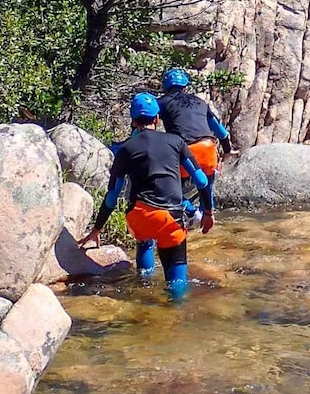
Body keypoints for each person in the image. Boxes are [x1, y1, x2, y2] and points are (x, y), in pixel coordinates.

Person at [80, 92, 215, 300]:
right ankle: (174, 309)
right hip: (170, 218)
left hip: (139, 216)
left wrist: (96, 230)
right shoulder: (177, 142)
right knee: (177, 282)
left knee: (144, 241)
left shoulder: (125, 149)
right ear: (157, 119)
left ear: (133, 121)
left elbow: (112, 196)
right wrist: (207, 212)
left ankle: (143, 285)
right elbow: (202, 181)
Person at [158, 68, 237, 209]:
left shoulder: (161, 103)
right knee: (207, 189)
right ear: (186, 87)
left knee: (172, 191)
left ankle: (190, 211)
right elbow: (221, 132)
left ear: (166, 88)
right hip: (208, 151)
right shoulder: (199, 102)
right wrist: (227, 151)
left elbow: (146, 123)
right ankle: (208, 214)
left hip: (185, 154)